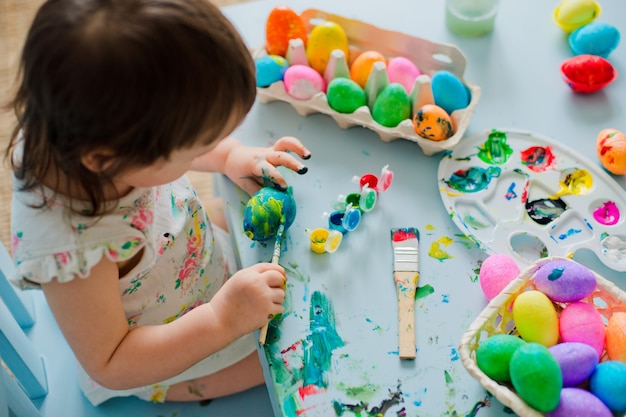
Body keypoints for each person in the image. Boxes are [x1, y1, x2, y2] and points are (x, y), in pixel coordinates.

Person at [4, 0, 311, 406]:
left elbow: (169, 142)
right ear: (106, 158)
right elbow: (110, 363)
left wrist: (228, 156)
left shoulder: (90, 129)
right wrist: (222, 319)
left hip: (189, 262)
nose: (200, 154)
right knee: (295, 362)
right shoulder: (75, 251)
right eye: (193, 150)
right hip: (166, 353)